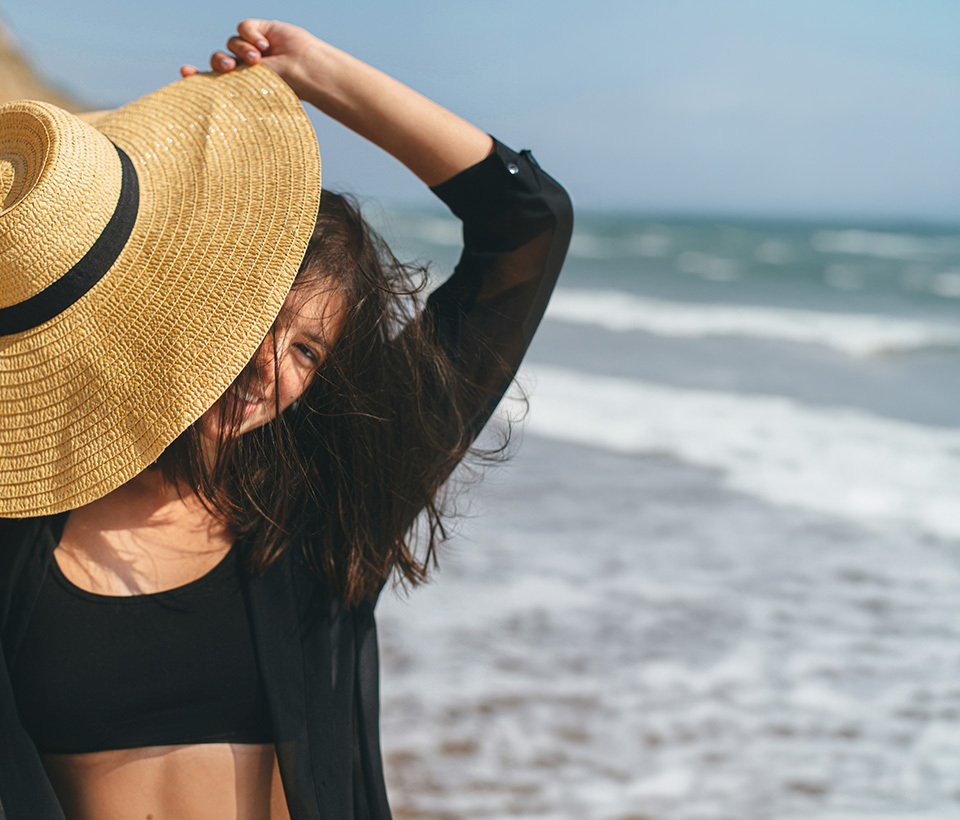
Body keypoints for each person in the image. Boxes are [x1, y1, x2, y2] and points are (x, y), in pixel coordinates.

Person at [0, 18, 572, 820]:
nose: (272, 371)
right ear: (186, 306)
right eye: (260, 323)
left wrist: (316, 75)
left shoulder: (322, 513)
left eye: (309, 352)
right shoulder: (21, 522)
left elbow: (529, 225)